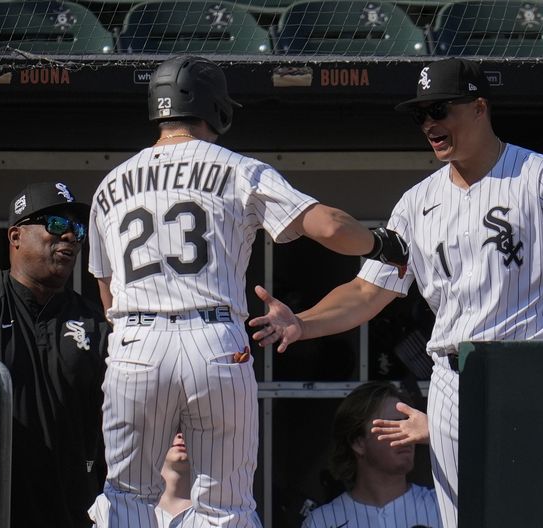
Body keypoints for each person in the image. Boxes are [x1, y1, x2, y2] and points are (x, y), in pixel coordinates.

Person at [249, 58, 543, 528]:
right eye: (420, 115)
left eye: (441, 109)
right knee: (465, 521)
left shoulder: (541, 176)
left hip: (535, 369)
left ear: (479, 108)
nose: (430, 123)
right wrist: (303, 323)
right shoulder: (415, 202)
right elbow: (368, 291)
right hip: (455, 378)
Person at [87, 56, 408, 528]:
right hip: (213, 339)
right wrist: (380, 243)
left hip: (135, 342)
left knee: (128, 496)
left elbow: (108, 292)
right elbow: (327, 225)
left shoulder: (109, 185)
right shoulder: (238, 168)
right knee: (225, 506)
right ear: (213, 107)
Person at [0, 181, 108, 528]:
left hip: (71, 514)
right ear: (16, 237)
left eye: (77, 230)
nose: (71, 238)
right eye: (56, 226)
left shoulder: (94, 321)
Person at [302, 381, 441, 528]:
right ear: (358, 443)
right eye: (393, 427)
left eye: (408, 425)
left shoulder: (443, 507)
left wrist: (435, 436)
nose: (408, 435)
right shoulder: (320, 522)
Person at [89, 432, 195, 528]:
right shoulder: (109, 504)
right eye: (174, 427)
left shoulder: (209, 507)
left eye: (186, 427)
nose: (180, 435)